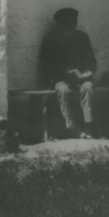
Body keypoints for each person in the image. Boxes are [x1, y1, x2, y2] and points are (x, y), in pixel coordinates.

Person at [40, 7, 97, 138]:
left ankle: (88, 127)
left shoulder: (82, 37)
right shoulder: (50, 38)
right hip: (60, 78)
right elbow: (44, 64)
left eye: (74, 22)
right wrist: (63, 71)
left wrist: (88, 72)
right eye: (67, 23)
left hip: (81, 78)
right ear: (59, 25)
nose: (72, 26)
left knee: (88, 87)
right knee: (64, 90)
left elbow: (91, 59)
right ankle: (73, 128)